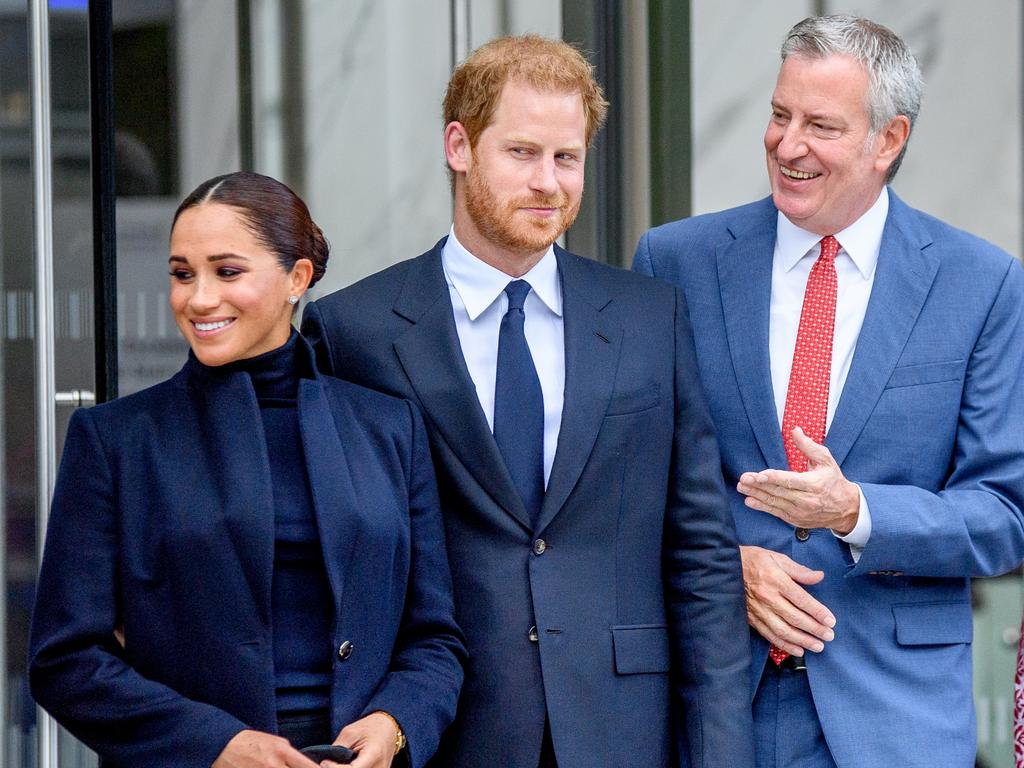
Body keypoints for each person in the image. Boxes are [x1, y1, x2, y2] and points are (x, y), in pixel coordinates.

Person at [301, 35, 754, 768]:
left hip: (625, 732)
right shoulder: (354, 330)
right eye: (522, 153)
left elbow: (700, 557)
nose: (549, 182)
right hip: (445, 731)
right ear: (459, 145)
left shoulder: (650, 318)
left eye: (566, 157)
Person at [633, 14, 1024, 768]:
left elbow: (1005, 514)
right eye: (779, 115)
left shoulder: (981, 285)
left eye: (820, 125)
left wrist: (858, 511)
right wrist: (728, 563)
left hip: (893, 714)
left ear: (889, 139)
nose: (787, 144)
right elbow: (629, 479)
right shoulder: (675, 261)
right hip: (714, 703)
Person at [29, 172, 465, 768]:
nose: (199, 297)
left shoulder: (389, 428)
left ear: (297, 278)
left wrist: (394, 725)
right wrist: (214, 744)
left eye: (226, 271)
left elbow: (435, 638)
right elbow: (66, 661)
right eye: (182, 273)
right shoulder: (114, 441)